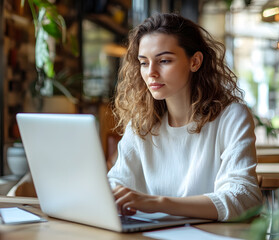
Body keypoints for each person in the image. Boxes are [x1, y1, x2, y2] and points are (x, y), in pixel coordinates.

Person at [107, 12, 262, 222]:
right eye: (144, 63)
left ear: (195, 61)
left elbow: (243, 198)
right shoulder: (141, 123)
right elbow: (116, 182)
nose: (151, 72)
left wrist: (156, 203)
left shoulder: (231, 117)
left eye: (164, 60)